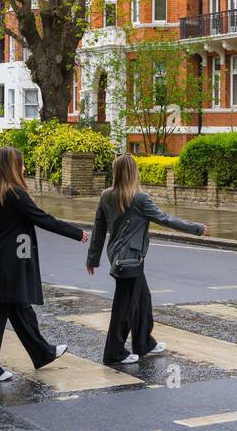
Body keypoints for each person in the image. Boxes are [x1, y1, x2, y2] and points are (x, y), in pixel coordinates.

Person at [0, 146, 88, 382]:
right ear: (13, 167)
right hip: (9, 262)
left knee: (19, 307)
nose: (24, 168)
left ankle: (42, 352)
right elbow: (42, 218)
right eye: (22, 164)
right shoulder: (14, 194)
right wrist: (76, 233)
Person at [86, 154, 208, 364]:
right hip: (130, 260)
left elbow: (98, 230)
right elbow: (165, 219)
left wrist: (93, 258)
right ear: (134, 172)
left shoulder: (107, 195)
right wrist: (196, 228)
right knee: (123, 308)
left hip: (119, 258)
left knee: (143, 299)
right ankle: (114, 353)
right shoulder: (139, 199)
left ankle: (144, 344)